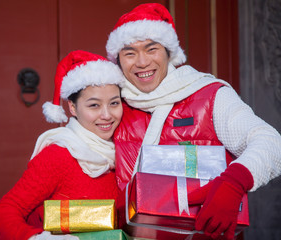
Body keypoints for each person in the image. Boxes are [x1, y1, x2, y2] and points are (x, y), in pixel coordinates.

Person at [105, 3, 281, 240]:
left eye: (151, 49)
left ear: (169, 53)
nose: (142, 62)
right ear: (118, 60)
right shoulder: (112, 106)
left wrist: (234, 182)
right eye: (129, 52)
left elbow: (271, 143)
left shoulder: (209, 95)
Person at [0, 50, 125, 240]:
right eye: (94, 105)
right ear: (72, 107)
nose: (106, 115)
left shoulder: (126, 150)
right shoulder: (59, 155)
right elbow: (4, 212)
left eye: (114, 103)